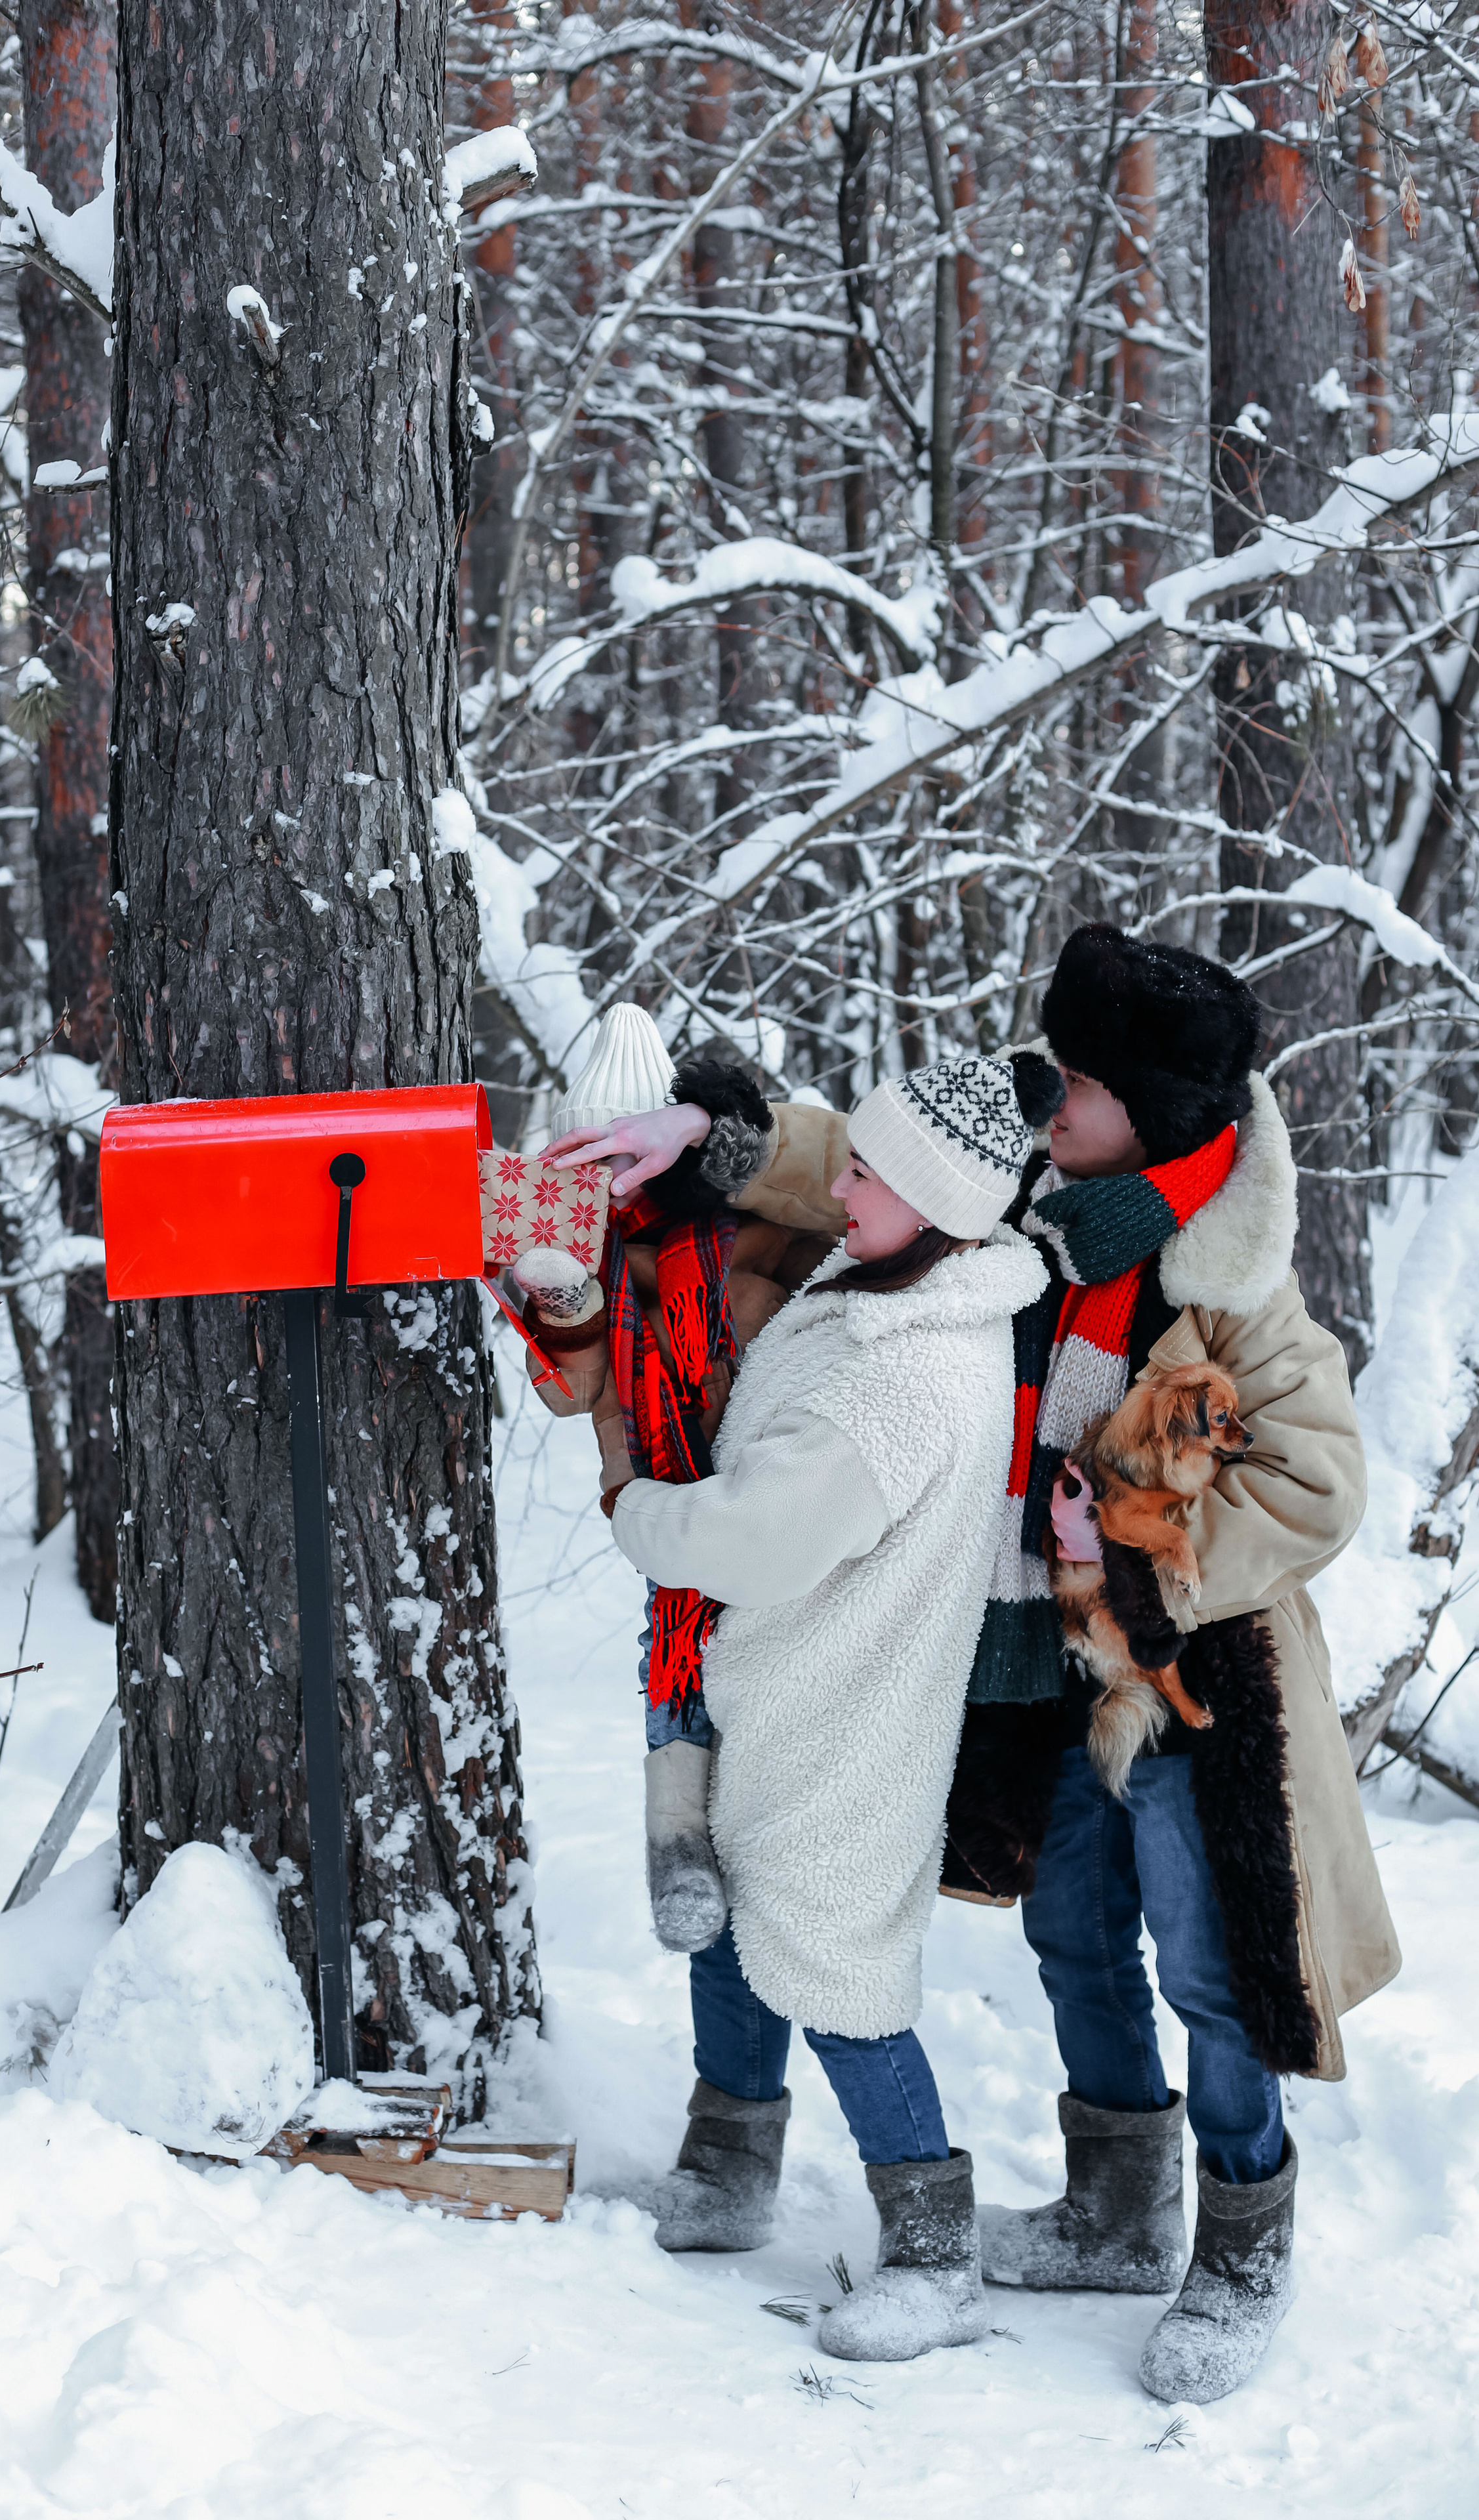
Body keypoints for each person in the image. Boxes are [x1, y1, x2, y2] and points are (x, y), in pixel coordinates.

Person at [554, 923, 1398, 2407]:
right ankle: (1118, 2207)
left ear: (1146, 1108)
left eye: (1072, 1078)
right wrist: (718, 1133)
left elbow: (1317, 1487)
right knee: (1071, 1936)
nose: (1040, 1092)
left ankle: (1242, 2241)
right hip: (1030, 1672)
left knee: (1209, 1966)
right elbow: (870, 1175)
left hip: (1179, 1680)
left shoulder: (1227, 1285)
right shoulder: (1036, 1187)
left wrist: (1131, 1536)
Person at [578, 1053, 1057, 2364]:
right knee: (733, 1923)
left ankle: (932, 2256)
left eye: (864, 1172)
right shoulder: (888, 1283)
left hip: (842, 1708)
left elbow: (756, 1537)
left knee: (840, 1966)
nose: (837, 1182)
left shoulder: (900, 1378)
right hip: (784, 1682)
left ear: (933, 1201)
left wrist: (637, 1514)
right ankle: (726, 2174)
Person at [520, 1005, 837, 1952]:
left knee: (766, 1677)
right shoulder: (587, 1248)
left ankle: (787, 1858)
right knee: (681, 1645)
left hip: (762, 1483)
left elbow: (846, 1215)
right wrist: (568, 1303)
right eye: (589, 1161)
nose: (609, 1184)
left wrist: (729, 1134)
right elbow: (573, 1394)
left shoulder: (759, 1227)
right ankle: (676, 1840)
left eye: (624, 1156)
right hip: (659, 1490)